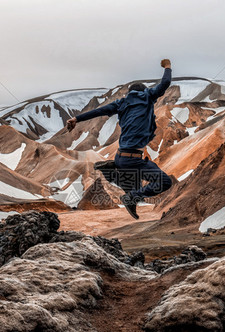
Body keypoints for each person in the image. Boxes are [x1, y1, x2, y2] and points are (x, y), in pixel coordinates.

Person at [66, 59, 173, 219]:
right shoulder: (148, 97)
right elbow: (165, 83)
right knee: (164, 182)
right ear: (143, 92)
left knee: (133, 184)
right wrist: (167, 66)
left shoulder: (121, 103)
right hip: (133, 160)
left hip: (122, 156)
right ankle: (126, 190)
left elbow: (99, 111)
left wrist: (76, 118)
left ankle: (113, 170)